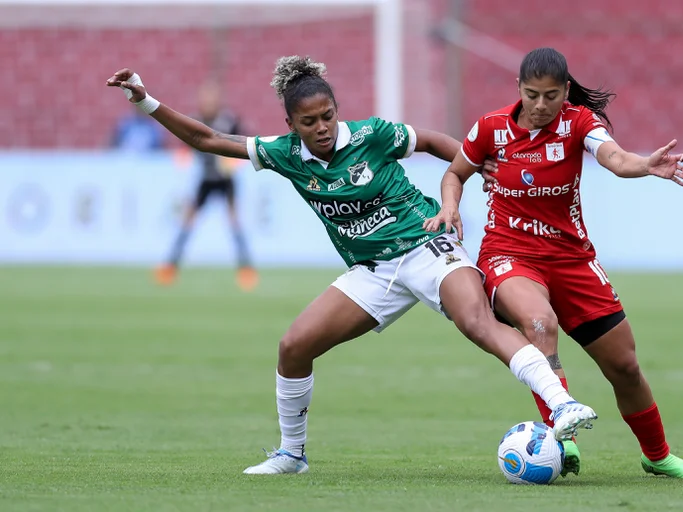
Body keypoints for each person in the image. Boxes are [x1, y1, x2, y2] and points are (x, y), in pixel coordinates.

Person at [106, 55, 598, 475]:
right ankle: (291, 454)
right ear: (291, 125)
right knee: (294, 346)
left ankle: (561, 403)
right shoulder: (285, 155)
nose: (321, 128)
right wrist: (145, 100)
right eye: (309, 122)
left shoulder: (373, 135)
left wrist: (478, 170)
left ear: (337, 111)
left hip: (426, 245)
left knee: (476, 322)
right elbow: (208, 139)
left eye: (327, 116)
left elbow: (430, 141)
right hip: (373, 271)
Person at [424, 47, 683, 479]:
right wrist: (451, 206)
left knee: (625, 367)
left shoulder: (578, 123)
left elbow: (614, 158)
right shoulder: (491, 128)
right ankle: (565, 435)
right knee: (539, 323)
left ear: (566, 92)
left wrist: (645, 165)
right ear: (518, 89)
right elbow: (454, 173)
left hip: (573, 260)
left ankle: (658, 456)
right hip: (509, 253)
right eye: (533, 94)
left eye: (551, 96)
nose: (541, 105)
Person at [155, 81, 258, 291]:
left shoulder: (228, 121)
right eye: (205, 99)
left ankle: (246, 270)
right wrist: (183, 157)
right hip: (206, 180)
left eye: (212, 99)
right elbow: (186, 146)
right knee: (187, 221)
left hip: (226, 180)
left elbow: (243, 146)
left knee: (235, 222)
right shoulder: (194, 120)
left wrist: (234, 163)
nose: (208, 103)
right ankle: (170, 266)